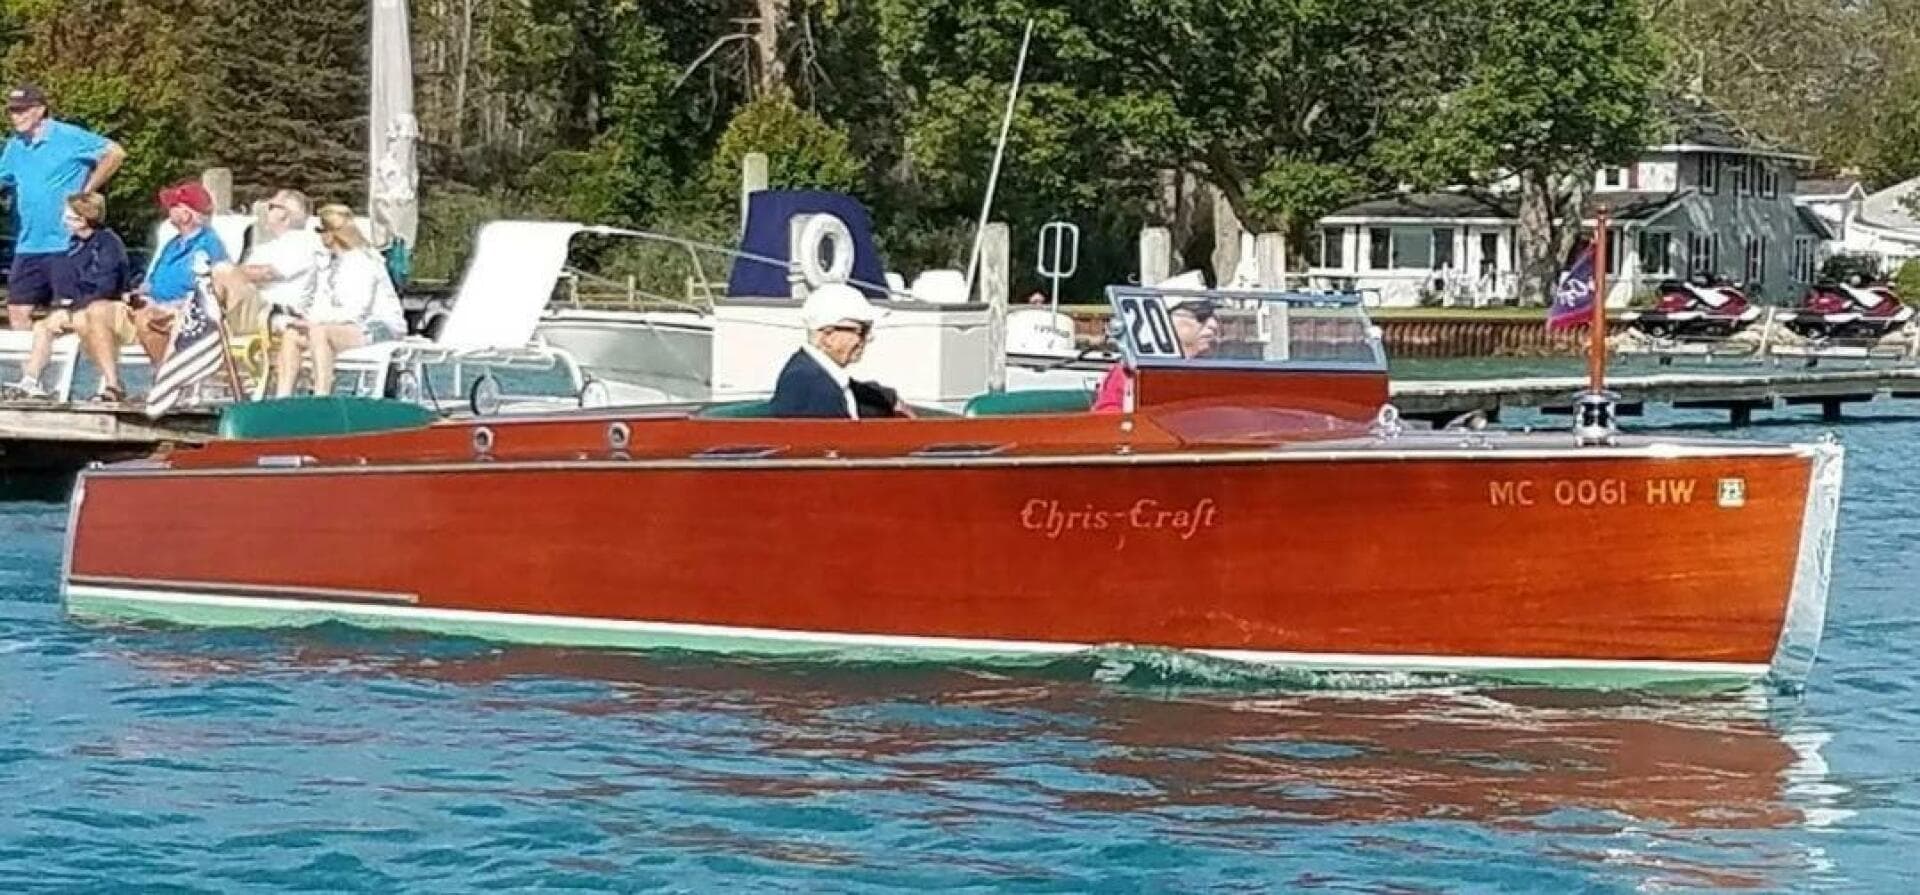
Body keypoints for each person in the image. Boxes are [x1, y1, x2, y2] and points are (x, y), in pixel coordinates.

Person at [0, 84, 127, 330]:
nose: (16, 117)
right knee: (17, 309)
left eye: (22, 111)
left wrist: (87, 190)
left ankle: (74, 365)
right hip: (29, 243)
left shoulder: (68, 136)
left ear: (40, 110)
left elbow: (115, 153)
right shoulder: (15, 146)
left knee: (66, 312)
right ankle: (29, 367)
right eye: (12, 111)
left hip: (66, 240)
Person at [3, 192, 129, 400]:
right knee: (43, 326)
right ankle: (31, 380)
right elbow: (68, 283)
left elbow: (106, 286)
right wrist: (63, 305)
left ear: (84, 219)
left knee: (80, 317)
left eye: (69, 217)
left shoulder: (108, 244)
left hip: (106, 307)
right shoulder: (73, 245)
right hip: (78, 306)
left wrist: (74, 307)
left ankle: (112, 384)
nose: (64, 221)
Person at [273, 204, 404, 397]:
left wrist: (315, 322)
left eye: (321, 231)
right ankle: (282, 398)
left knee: (319, 333)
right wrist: (302, 319)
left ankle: (322, 395)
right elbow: (324, 303)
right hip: (345, 325)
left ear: (331, 234)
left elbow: (355, 312)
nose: (319, 236)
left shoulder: (363, 262)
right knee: (292, 334)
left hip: (380, 326)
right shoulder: (331, 262)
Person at [769, 283, 909, 419]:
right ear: (828, 336)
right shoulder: (811, 387)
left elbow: (851, 388)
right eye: (861, 330)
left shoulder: (812, 372)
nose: (869, 338)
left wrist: (888, 397)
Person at [131, 180, 229, 364]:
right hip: (152, 306)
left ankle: (166, 378)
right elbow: (152, 282)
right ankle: (113, 387)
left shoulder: (209, 244)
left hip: (183, 312)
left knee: (146, 320)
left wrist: (177, 304)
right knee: (100, 315)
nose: (169, 211)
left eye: (174, 206)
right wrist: (138, 294)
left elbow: (216, 286)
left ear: (186, 214)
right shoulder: (172, 244)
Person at [212, 188, 322, 337]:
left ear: (285, 215)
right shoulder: (270, 246)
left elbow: (266, 273)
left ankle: (206, 328)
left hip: (275, 313)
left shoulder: (301, 243)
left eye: (271, 207)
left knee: (221, 271)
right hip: (256, 309)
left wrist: (232, 272)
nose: (266, 211)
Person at [1091, 295, 1221, 413]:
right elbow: (1109, 418)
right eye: (1200, 315)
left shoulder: (1220, 370)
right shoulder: (1131, 371)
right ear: (1165, 318)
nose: (1213, 325)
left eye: (1214, 316)